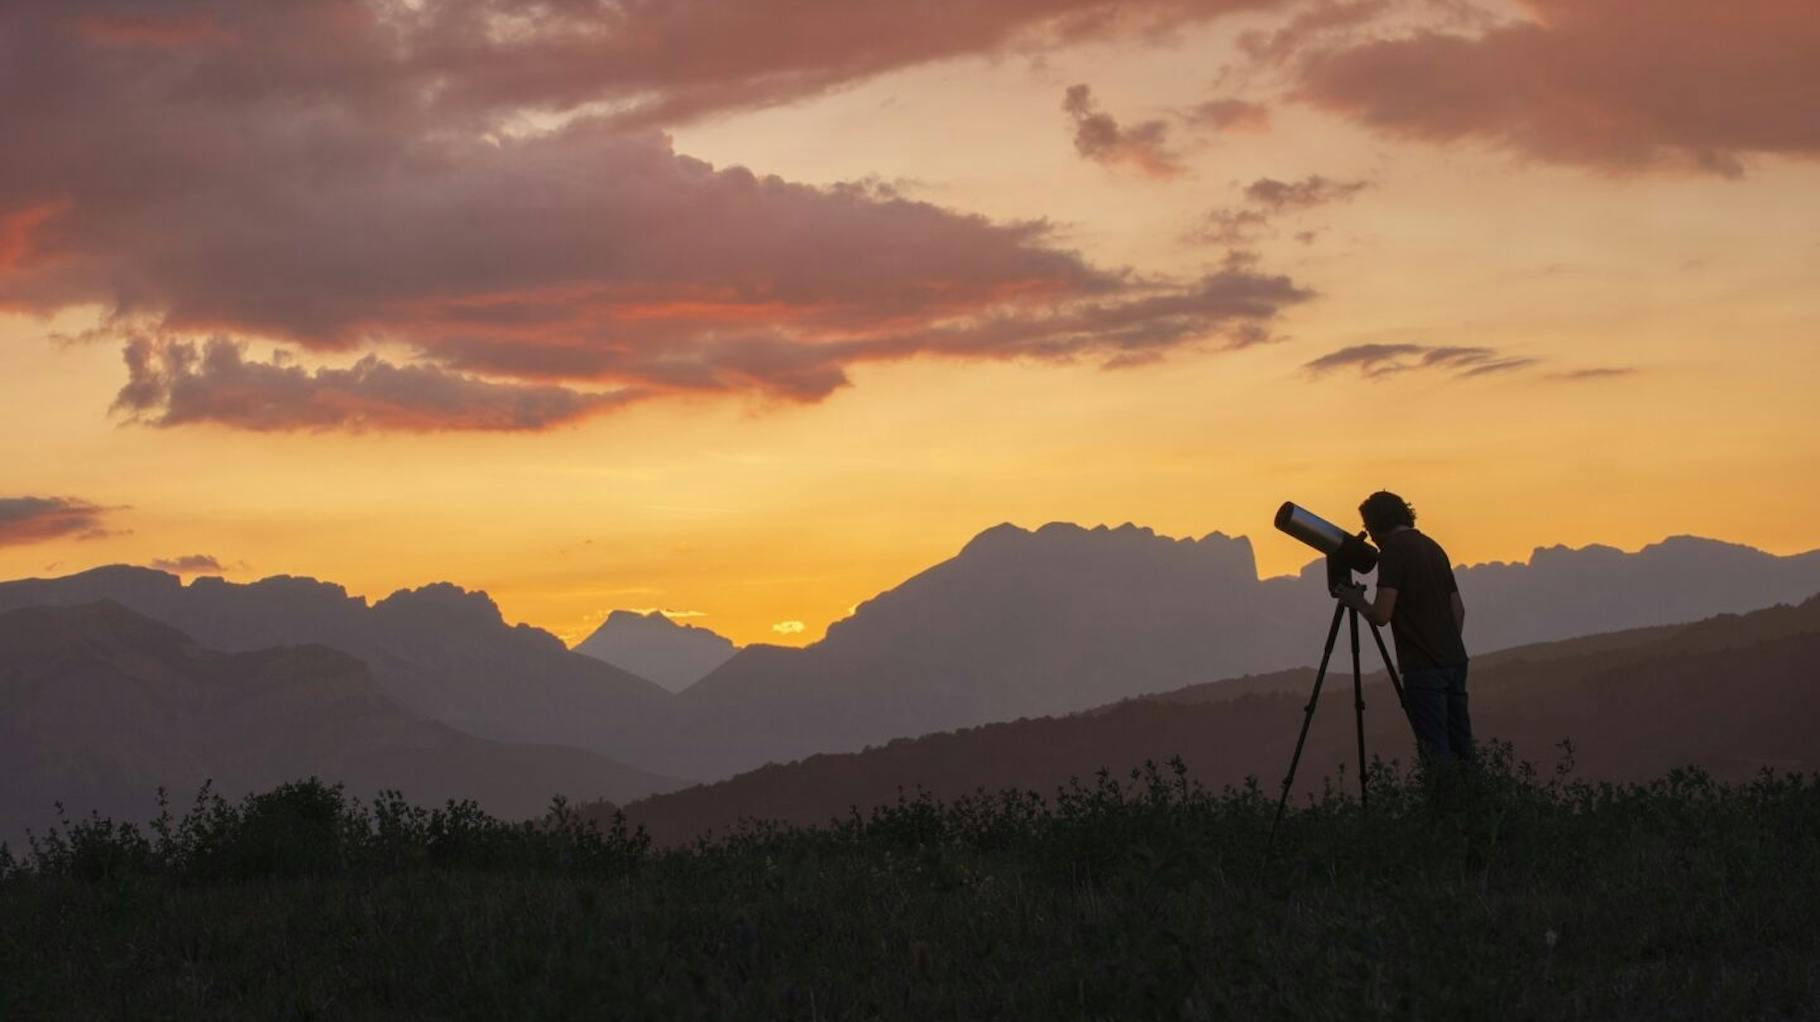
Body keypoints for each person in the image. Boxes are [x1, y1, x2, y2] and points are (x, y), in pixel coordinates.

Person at [1333, 491, 1473, 778]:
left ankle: (1442, 814)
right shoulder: (1433, 547)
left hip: (1423, 669)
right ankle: (1474, 814)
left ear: (1376, 524)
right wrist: (1443, 645)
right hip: (1454, 662)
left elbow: (1382, 615)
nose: (1369, 537)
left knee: (1436, 755)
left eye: (1368, 528)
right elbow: (1459, 611)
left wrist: (1356, 601)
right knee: (1462, 750)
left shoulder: (1394, 552)